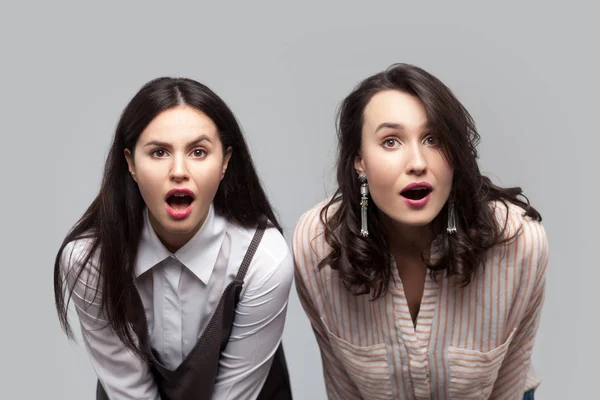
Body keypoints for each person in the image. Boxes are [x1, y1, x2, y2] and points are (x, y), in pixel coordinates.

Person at [293, 63, 548, 400]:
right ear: (360, 161)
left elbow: (508, 386)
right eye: (390, 141)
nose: (417, 162)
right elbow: (343, 389)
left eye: (432, 139)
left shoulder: (519, 243)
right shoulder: (317, 244)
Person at [54, 77, 294, 400]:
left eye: (198, 151)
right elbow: (130, 393)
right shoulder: (89, 260)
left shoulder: (264, 259)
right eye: (159, 152)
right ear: (131, 163)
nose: (179, 170)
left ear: (224, 162)